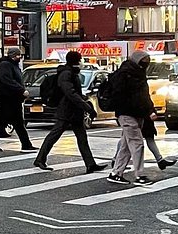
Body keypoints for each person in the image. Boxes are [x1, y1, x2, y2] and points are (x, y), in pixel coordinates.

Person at [32, 51, 107, 173]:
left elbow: (75, 93)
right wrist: (87, 107)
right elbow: (71, 93)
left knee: (82, 138)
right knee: (54, 135)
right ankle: (40, 159)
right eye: (80, 59)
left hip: (74, 111)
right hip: (67, 111)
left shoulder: (71, 73)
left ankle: (90, 164)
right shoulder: (66, 74)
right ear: (76, 61)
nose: (82, 62)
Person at [107, 51, 156, 185]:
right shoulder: (126, 75)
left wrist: (149, 109)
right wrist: (148, 109)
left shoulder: (133, 73)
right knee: (137, 144)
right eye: (144, 61)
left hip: (134, 113)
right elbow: (137, 95)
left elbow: (143, 95)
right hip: (128, 113)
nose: (146, 63)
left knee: (126, 145)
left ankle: (116, 173)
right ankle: (140, 175)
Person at [0, 47, 35, 152]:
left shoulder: (12, 65)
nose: (20, 57)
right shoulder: (5, 65)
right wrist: (21, 90)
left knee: (12, 123)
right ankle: (25, 145)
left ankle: (25, 144)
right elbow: (7, 80)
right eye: (19, 55)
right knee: (10, 122)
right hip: (7, 99)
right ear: (14, 55)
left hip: (13, 99)